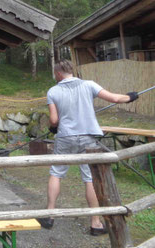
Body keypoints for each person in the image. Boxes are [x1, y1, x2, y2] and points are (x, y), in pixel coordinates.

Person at [39, 60, 138, 236]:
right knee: (89, 177)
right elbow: (115, 98)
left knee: (56, 173)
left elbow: (54, 121)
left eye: (55, 74)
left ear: (59, 74)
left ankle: (49, 216)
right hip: (88, 138)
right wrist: (130, 96)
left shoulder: (53, 91)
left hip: (65, 137)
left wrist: (54, 127)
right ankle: (95, 223)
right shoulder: (89, 84)